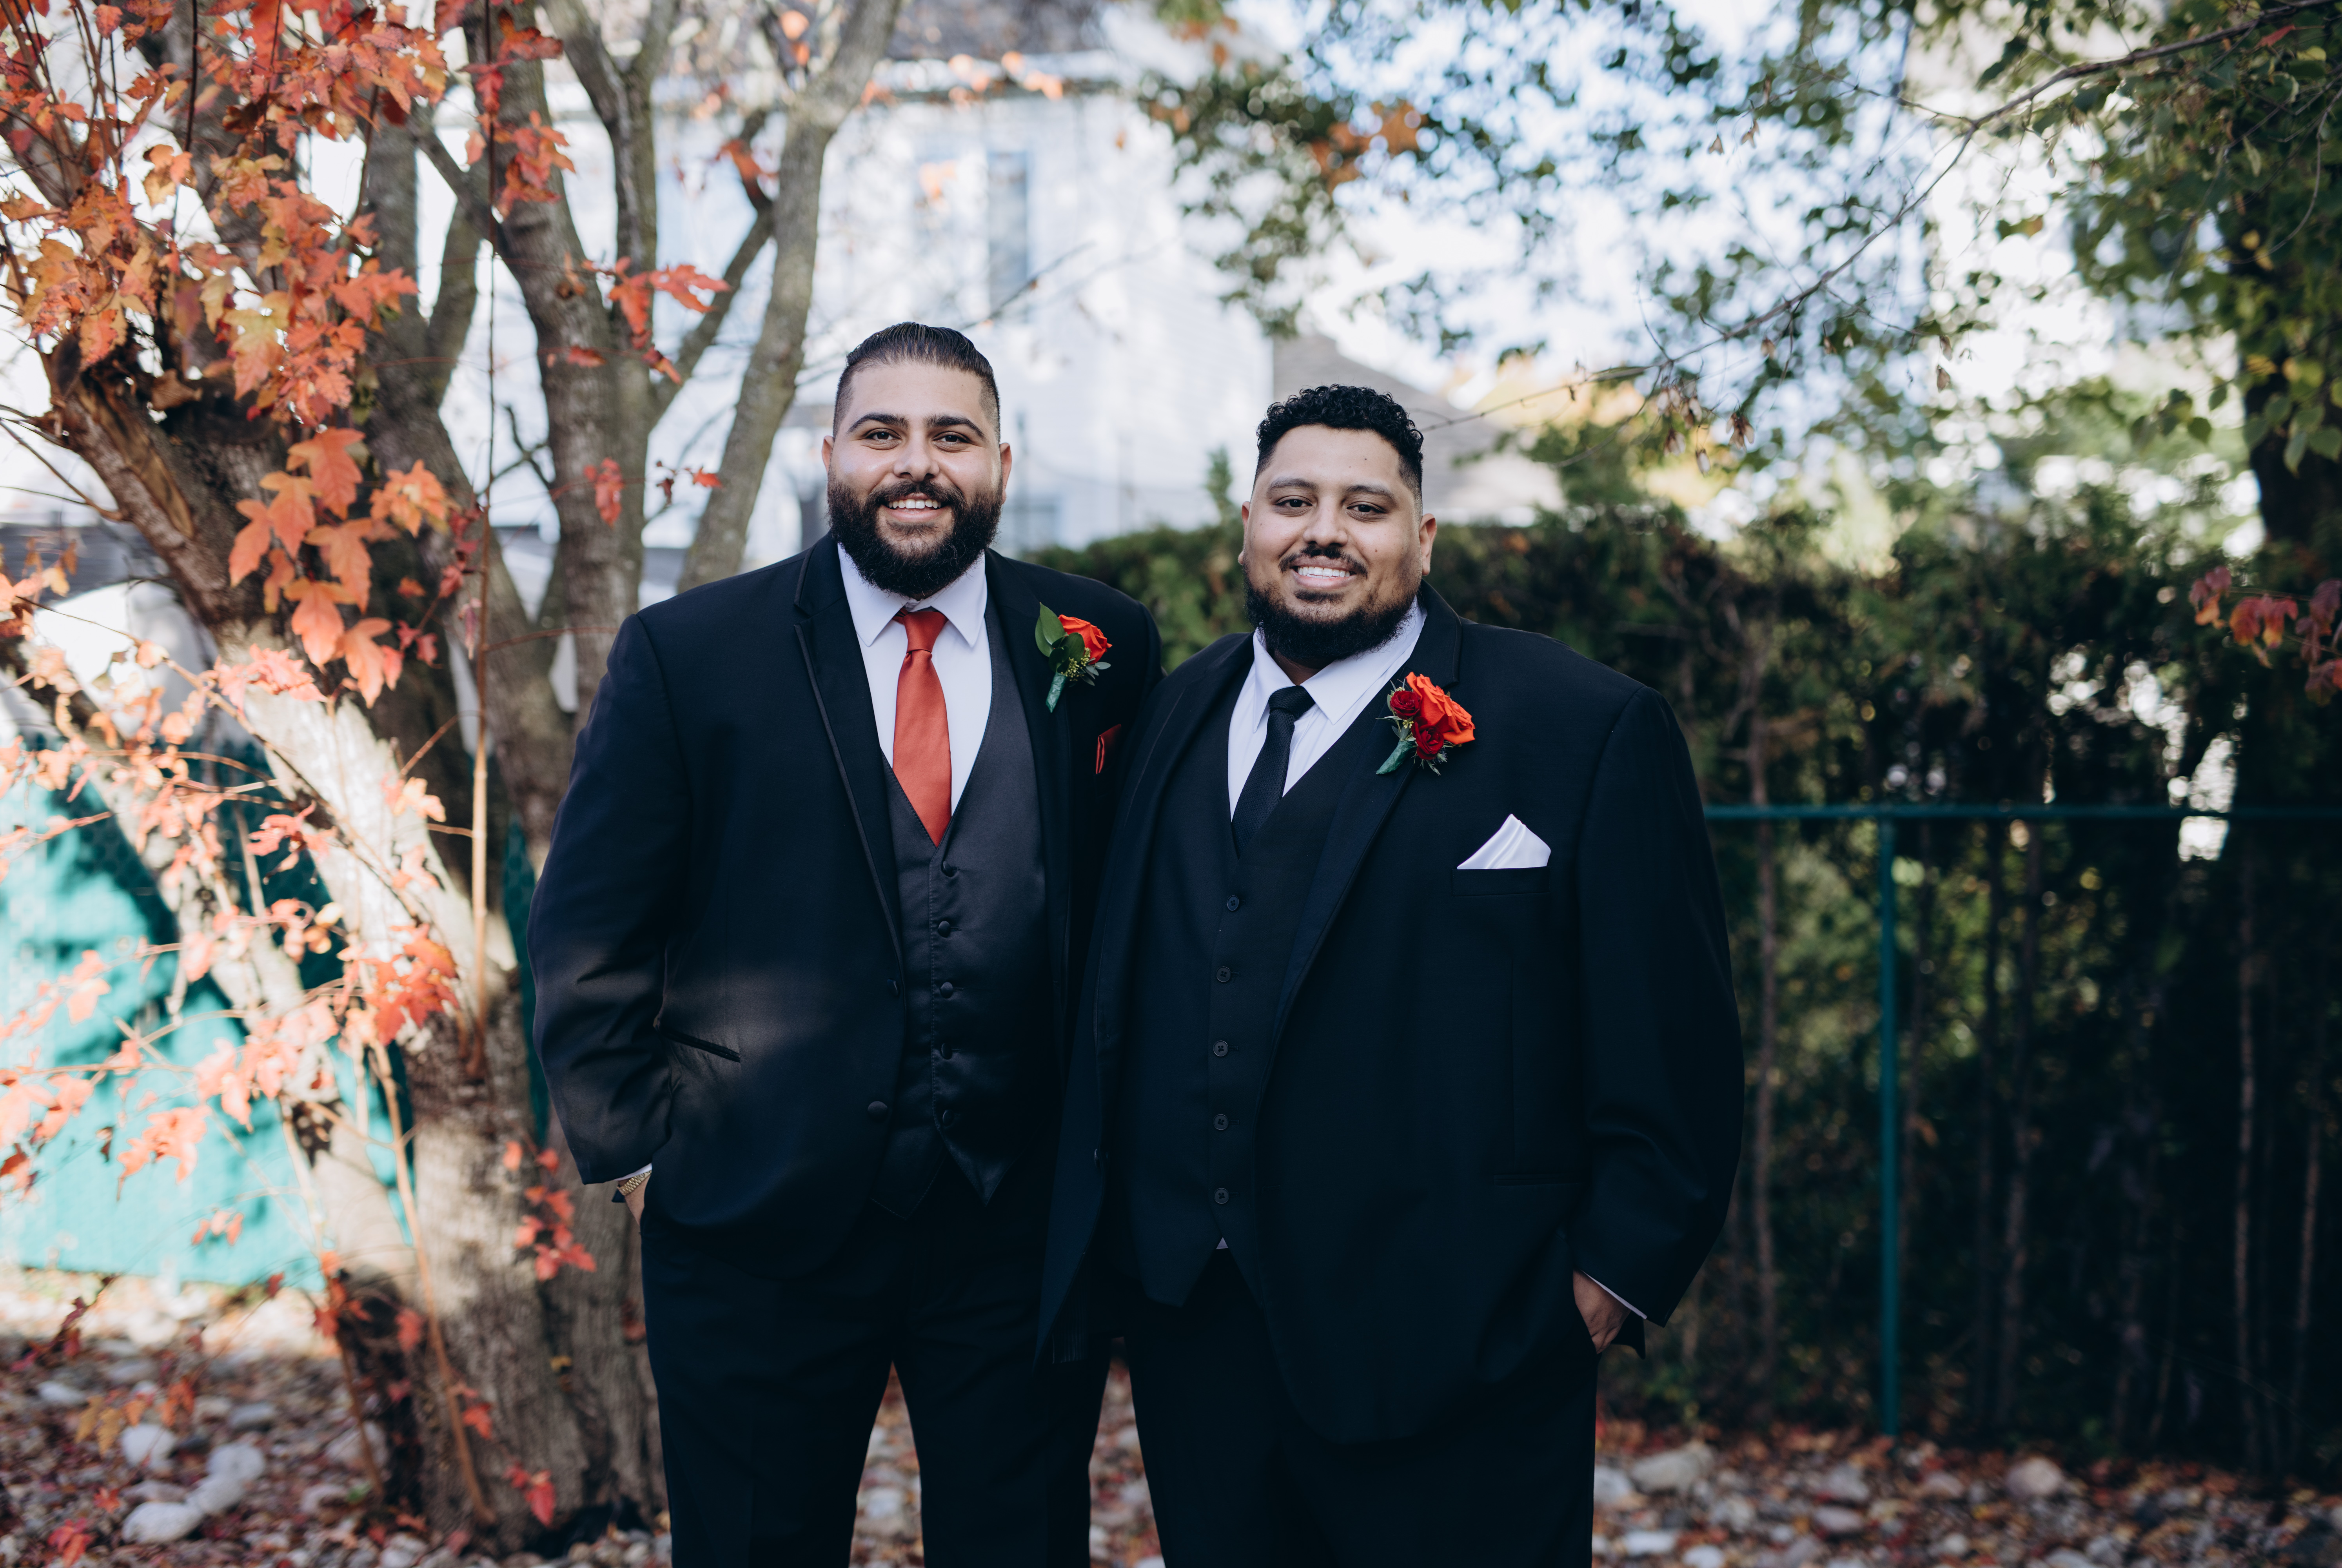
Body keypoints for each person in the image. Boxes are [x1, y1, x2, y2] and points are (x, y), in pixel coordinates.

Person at [1040, 384, 1742, 1565]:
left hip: (1465, 1346)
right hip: (1197, 1340)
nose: (1324, 531)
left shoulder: (1582, 726)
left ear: (1423, 538)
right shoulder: (1172, 713)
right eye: (1293, 502)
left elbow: (1674, 1040)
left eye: (1365, 507)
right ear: (1248, 526)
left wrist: (1605, 1285)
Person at [530, 323, 1161, 1566]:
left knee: (1023, 1546)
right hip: (753, 1217)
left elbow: (1131, 902)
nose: (916, 463)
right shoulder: (692, 653)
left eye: (951, 436)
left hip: (1016, 1221)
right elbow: (588, 924)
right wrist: (643, 1154)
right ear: (831, 456)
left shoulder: (1102, 643)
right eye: (883, 433)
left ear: (1001, 464)